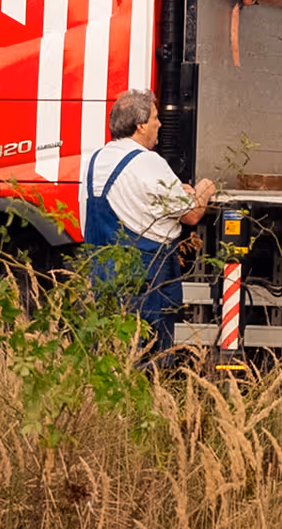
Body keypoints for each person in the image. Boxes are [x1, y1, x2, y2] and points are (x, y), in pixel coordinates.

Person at [84, 89, 217, 356]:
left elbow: (136, 196)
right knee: (147, 355)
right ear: (141, 125)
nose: (159, 124)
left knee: (108, 351)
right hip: (145, 274)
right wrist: (204, 190)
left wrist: (178, 190)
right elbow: (191, 214)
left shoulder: (97, 159)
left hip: (100, 268)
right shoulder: (148, 162)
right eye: (156, 118)